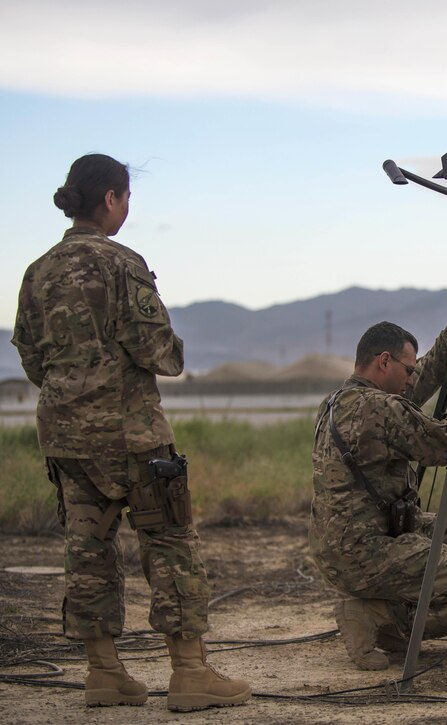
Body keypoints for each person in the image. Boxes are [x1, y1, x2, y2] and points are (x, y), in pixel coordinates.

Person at [11, 154, 250, 710]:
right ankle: (190, 672)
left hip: (65, 436)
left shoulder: (38, 271)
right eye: (127, 198)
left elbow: (29, 353)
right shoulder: (122, 263)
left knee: (87, 549)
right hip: (131, 435)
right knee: (170, 543)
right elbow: (158, 352)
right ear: (113, 199)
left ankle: (103, 673)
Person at [309, 317, 447, 670]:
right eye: (407, 370)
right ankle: (380, 616)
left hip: (342, 548)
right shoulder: (381, 409)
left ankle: (383, 621)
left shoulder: (338, 402)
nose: (411, 379)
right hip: (368, 552)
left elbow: (418, 387)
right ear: (384, 362)